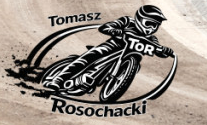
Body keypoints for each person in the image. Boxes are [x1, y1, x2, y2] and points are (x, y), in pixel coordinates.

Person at [44, 6, 173, 91]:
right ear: (139, 19)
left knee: (136, 66)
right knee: (90, 56)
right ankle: (58, 79)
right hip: (112, 47)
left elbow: (158, 49)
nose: (151, 28)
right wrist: (116, 31)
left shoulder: (152, 38)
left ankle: (115, 81)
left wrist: (164, 51)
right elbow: (104, 27)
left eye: (155, 25)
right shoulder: (128, 21)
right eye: (149, 23)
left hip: (130, 56)